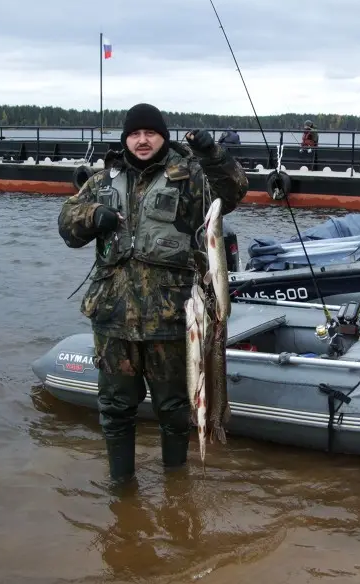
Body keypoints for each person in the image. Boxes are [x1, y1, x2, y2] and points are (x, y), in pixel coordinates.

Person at [57, 102, 248, 484]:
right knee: (114, 409)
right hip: (113, 320)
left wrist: (214, 153)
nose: (142, 140)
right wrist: (93, 215)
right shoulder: (102, 181)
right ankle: (122, 489)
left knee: (176, 409)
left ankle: (176, 487)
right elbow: (66, 224)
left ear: (163, 136)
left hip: (172, 320)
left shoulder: (191, 176)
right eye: (134, 134)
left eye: (150, 133)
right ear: (125, 138)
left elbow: (233, 191)